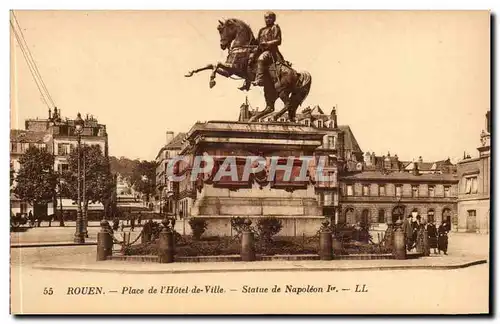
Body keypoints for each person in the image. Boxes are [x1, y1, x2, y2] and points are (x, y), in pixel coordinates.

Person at [239, 11, 285, 91]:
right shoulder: (262, 30)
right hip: (260, 50)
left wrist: (267, 43)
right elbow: (257, 41)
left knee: (261, 58)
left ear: (274, 19)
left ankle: (259, 79)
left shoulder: (275, 27)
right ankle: (247, 82)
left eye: (270, 18)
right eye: (266, 18)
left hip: (271, 52)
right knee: (249, 59)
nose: (267, 20)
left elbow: (278, 40)